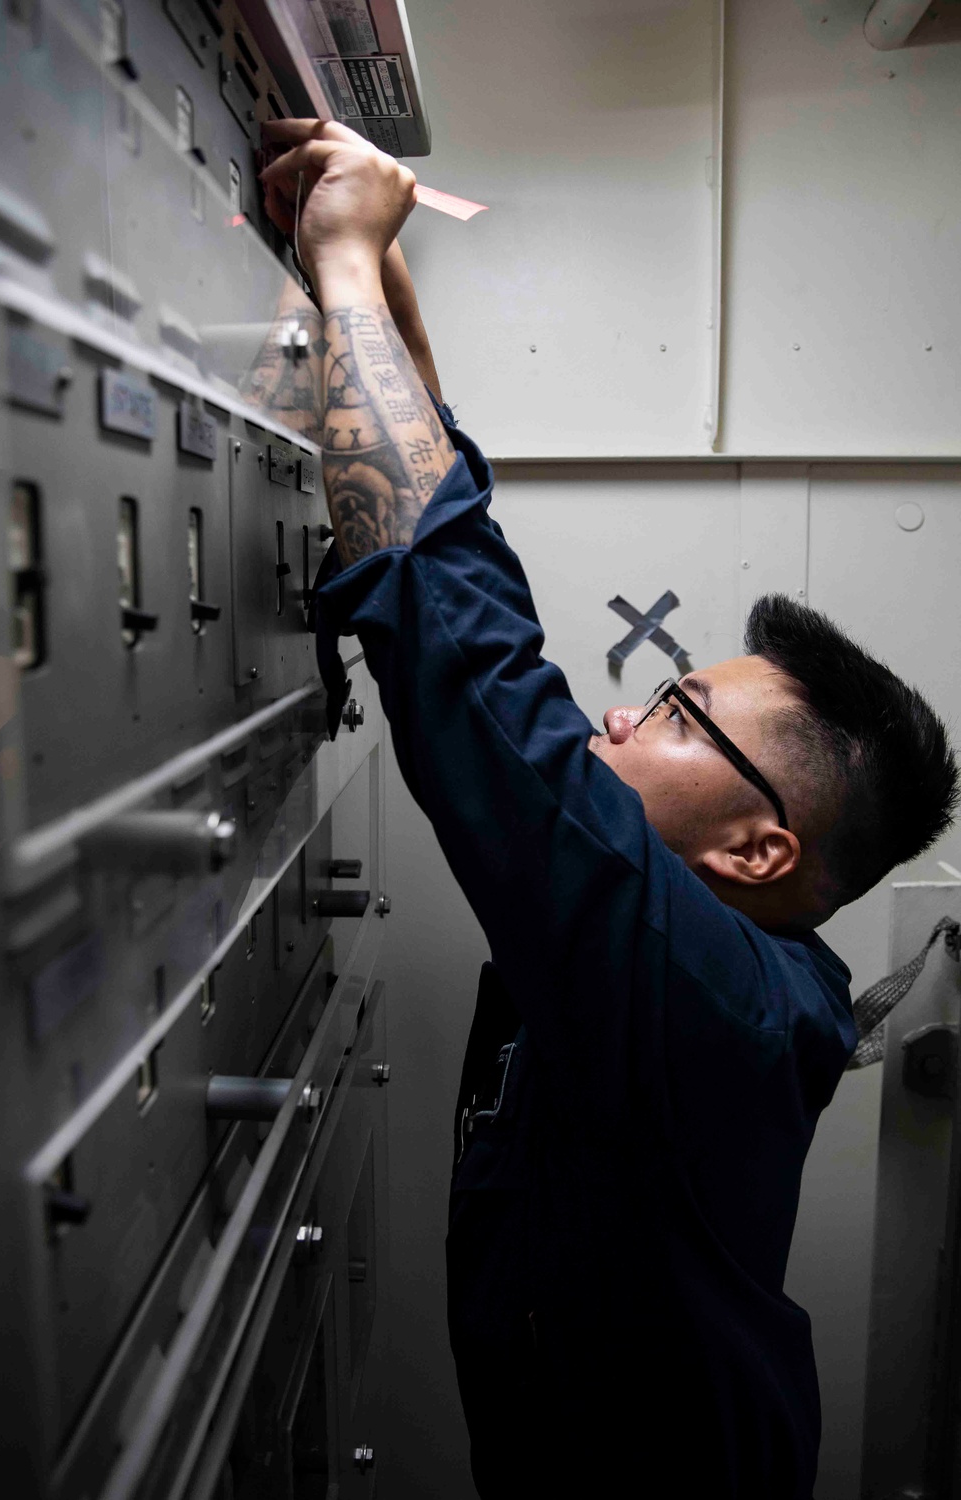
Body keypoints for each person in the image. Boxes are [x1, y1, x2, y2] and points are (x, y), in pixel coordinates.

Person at [259, 120, 958, 1498]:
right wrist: (382, 287)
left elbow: (469, 658)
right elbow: (455, 554)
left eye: (685, 718)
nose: (629, 712)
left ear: (760, 846)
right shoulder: (705, 949)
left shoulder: (705, 989)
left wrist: (343, 259)